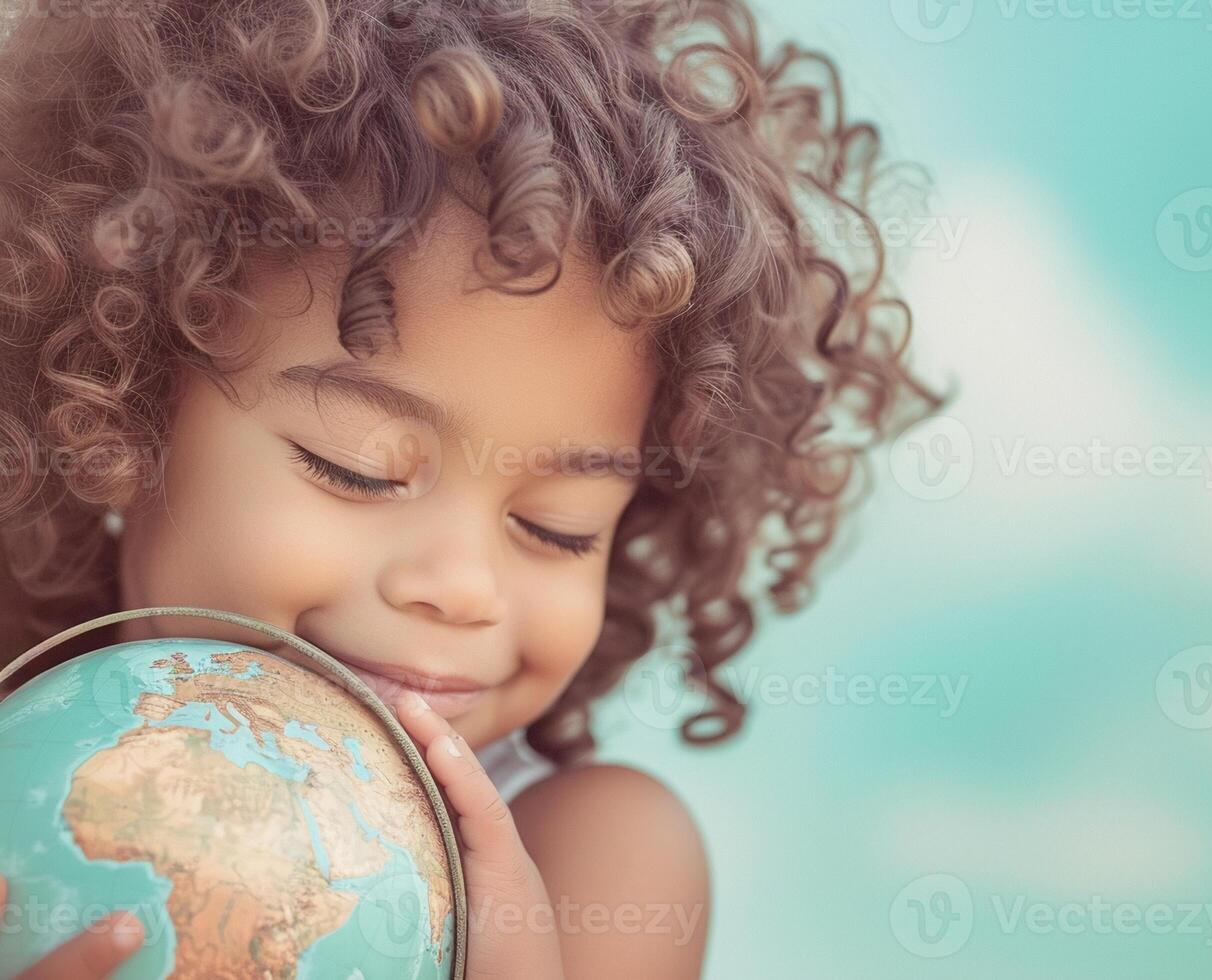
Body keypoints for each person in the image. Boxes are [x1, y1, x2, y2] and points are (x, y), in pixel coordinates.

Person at [0, 0, 943, 975]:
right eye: (356, 466)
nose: (460, 586)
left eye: (557, 526)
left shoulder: (596, 862)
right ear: (120, 412)